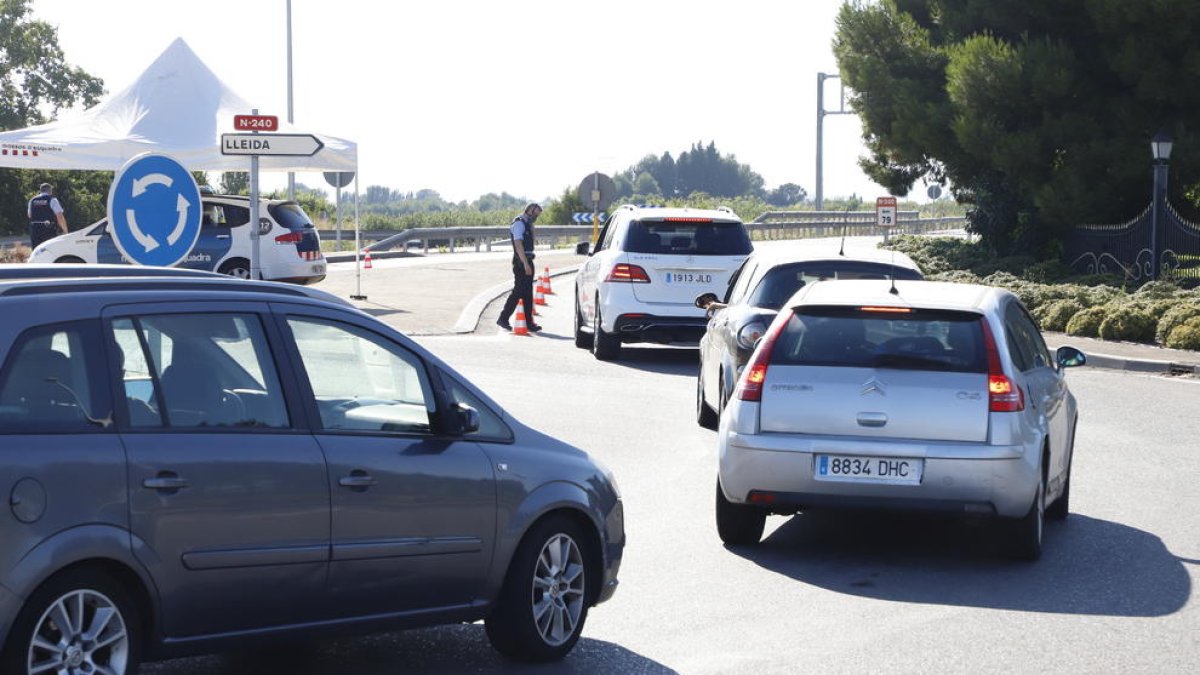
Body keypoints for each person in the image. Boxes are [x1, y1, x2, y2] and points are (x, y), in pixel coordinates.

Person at [496, 202, 543, 332]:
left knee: (527, 293)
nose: (536, 217)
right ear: (529, 211)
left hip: (528, 260)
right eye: (535, 214)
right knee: (518, 292)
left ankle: (528, 323)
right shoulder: (519, 223)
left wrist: (532, 229)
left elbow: (531, 241)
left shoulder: (527, 224)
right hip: (521, 262)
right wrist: (525, 264)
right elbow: (518, 245)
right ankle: (503, 318)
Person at [27, 182, 68, 248]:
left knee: (37, 251)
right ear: (50, 190)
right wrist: (65, 231)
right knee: (50, 251)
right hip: (49, 230)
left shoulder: (32, 200)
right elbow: (60, 216)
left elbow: (29, 215)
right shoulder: (52, 200)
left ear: (41, 190)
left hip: (35, 230)